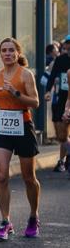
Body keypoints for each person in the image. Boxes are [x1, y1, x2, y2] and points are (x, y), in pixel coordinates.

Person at [0, 38, 41, 240]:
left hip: (23, 126)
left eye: (11, 50)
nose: (7, 53)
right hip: (4, 127)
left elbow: (35, 102)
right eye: (3, 50)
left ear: (17, 53)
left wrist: (16, 94)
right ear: (0, 53)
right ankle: (5, 221)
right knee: (2, 176)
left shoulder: (26, 75)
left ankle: (33, 216)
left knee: (28, 178)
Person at [45, 36, 70, 172]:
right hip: (61, 100)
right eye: (68, 44)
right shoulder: (60, 60)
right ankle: (64, 160)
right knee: (62, 135)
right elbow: (51, 75)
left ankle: (62, 161)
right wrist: (48, 91)